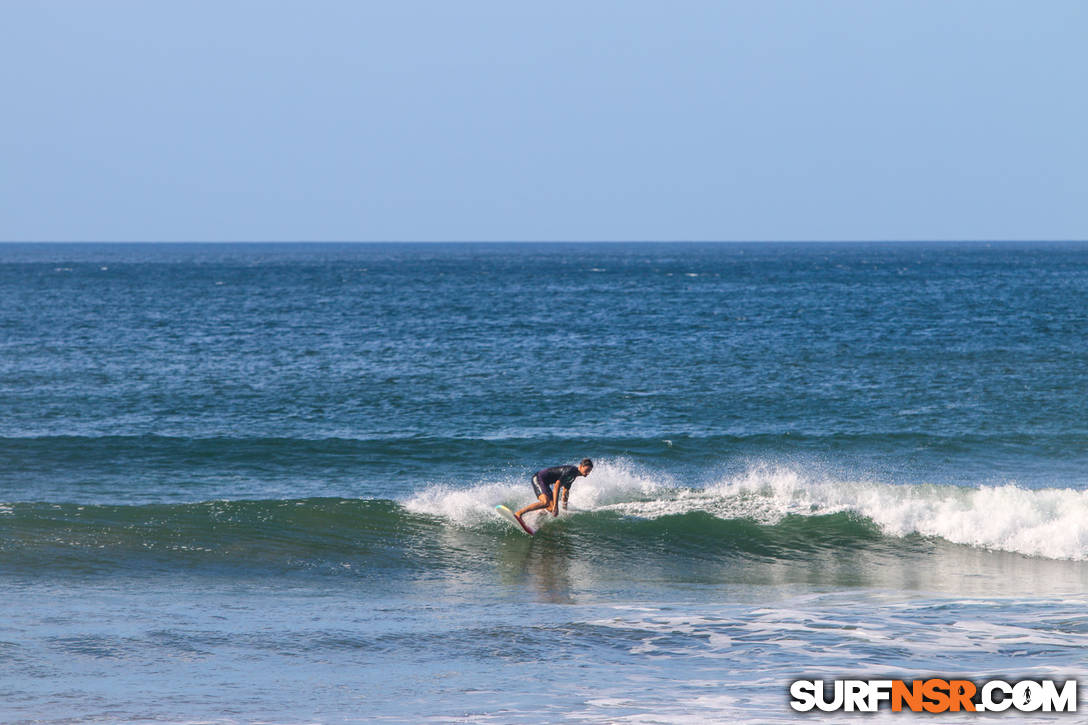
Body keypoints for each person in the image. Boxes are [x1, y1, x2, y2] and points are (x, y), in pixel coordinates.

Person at [515, 458, 593, 527]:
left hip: (546, 483)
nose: (587, 473)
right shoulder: (571, 471)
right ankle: (519, 513)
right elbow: (556, 487)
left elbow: (565, 492)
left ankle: (531, 518)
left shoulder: (573, 476)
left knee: (551, 509)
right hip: (539, 478)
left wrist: (565, 509)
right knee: (546, 502)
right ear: (580, 466)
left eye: (589, 471)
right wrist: (556, 506)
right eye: (586, 470)